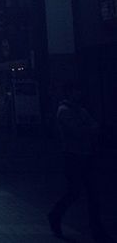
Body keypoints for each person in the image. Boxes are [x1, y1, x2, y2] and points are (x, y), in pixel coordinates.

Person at [47, 81, 110, 242]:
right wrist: (90, 129)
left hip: (86, 155)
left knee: (91, 193)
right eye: (76, 91)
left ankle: (97, 230)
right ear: (69, 92)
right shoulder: (64, 111)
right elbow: (80, 131)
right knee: (74, 192)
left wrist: (89, 129)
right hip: (73, 156)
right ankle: (56, 214)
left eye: (79, 91)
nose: (79, 94)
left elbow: (92, 127)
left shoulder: (80, 110)